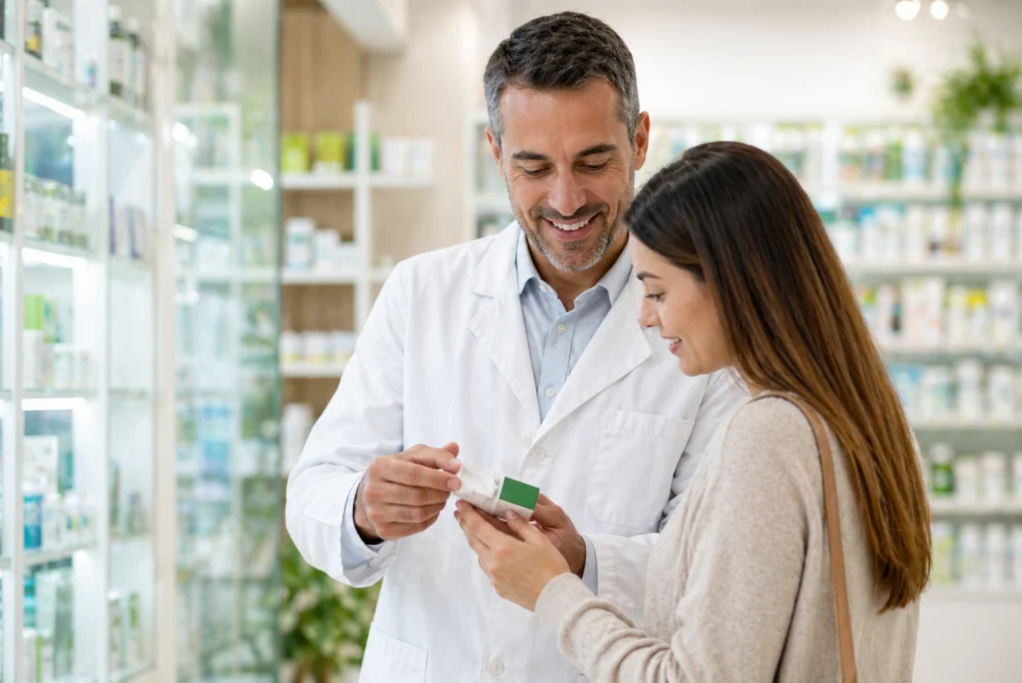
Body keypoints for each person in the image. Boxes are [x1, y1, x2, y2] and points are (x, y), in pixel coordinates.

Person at [285, 11, 748, 683]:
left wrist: (585, 560)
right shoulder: (424, 292)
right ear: (496, 154)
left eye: (593, 161)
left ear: (640, 140)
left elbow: (707, 564)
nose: (565, 199)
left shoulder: (703, 324)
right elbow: (312, 492)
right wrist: (362, 509)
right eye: (533, 167)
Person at [457, 141, 932, 682]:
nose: (645, 318)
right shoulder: (868, 424)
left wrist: (552, 595)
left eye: (657, 292)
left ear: (732, 283)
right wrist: (583, 557)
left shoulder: (770, 435)